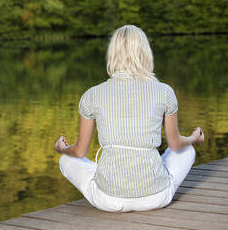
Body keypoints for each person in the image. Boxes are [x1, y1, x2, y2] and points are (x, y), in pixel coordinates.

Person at [54, 25, 205, 212]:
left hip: (108, 200)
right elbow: (174, 144)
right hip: (155, 197)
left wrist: (62, 148)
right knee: (187, 150)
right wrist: (193, 139)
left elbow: (79, 152)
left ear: (112, 53)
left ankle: (103, 177)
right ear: (145, 52)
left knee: (65, 160)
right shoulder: (164, 91)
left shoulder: (92, 95)